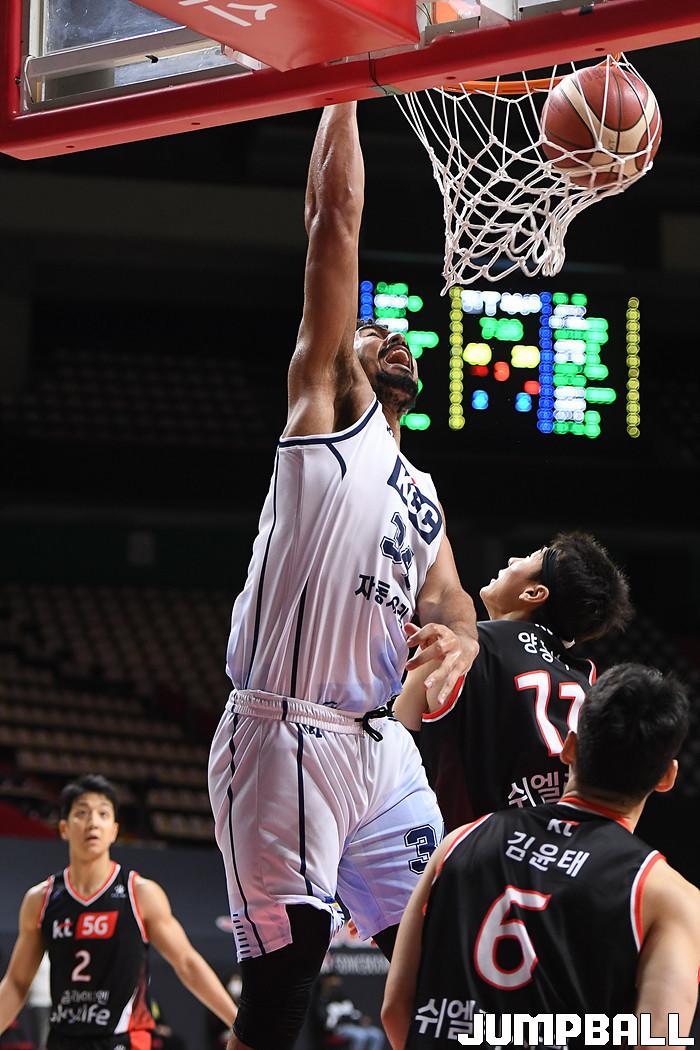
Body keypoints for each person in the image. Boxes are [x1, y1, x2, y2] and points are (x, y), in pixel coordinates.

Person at [207, 101, 479, 1050]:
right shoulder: (326, 411)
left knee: (441, 959)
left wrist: (458, 637)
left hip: (378, 747)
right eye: (372, 330)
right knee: (283, 993)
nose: (391, 335)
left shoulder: (423, 491)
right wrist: (345, 85)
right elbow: (335, 220)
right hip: (286, 729)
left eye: (398, 334)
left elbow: (452, 598)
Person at [382, 663, 700, 1049]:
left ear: (569, 747)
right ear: (667, 777)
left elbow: (396, 1009)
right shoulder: (668, 896)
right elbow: (657, 1041)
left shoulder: (459, 843)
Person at [394, 533, 633, 830]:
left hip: (470, 848)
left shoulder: (455, 645)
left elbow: (391, 743)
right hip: (560, 846)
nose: (512, 560)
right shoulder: (588, 680)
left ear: (533, 593)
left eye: (530, 558)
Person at [0, 774, 237, 1050]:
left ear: (114, 830)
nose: (92, 822)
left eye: (102, 813)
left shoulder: (140, 893)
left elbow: (187, 963)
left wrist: (238, 1023)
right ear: (64, 828)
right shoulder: (41, 899)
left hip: (125, 1040)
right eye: (82, 813)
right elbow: (16, 983)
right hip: (64, 1041)